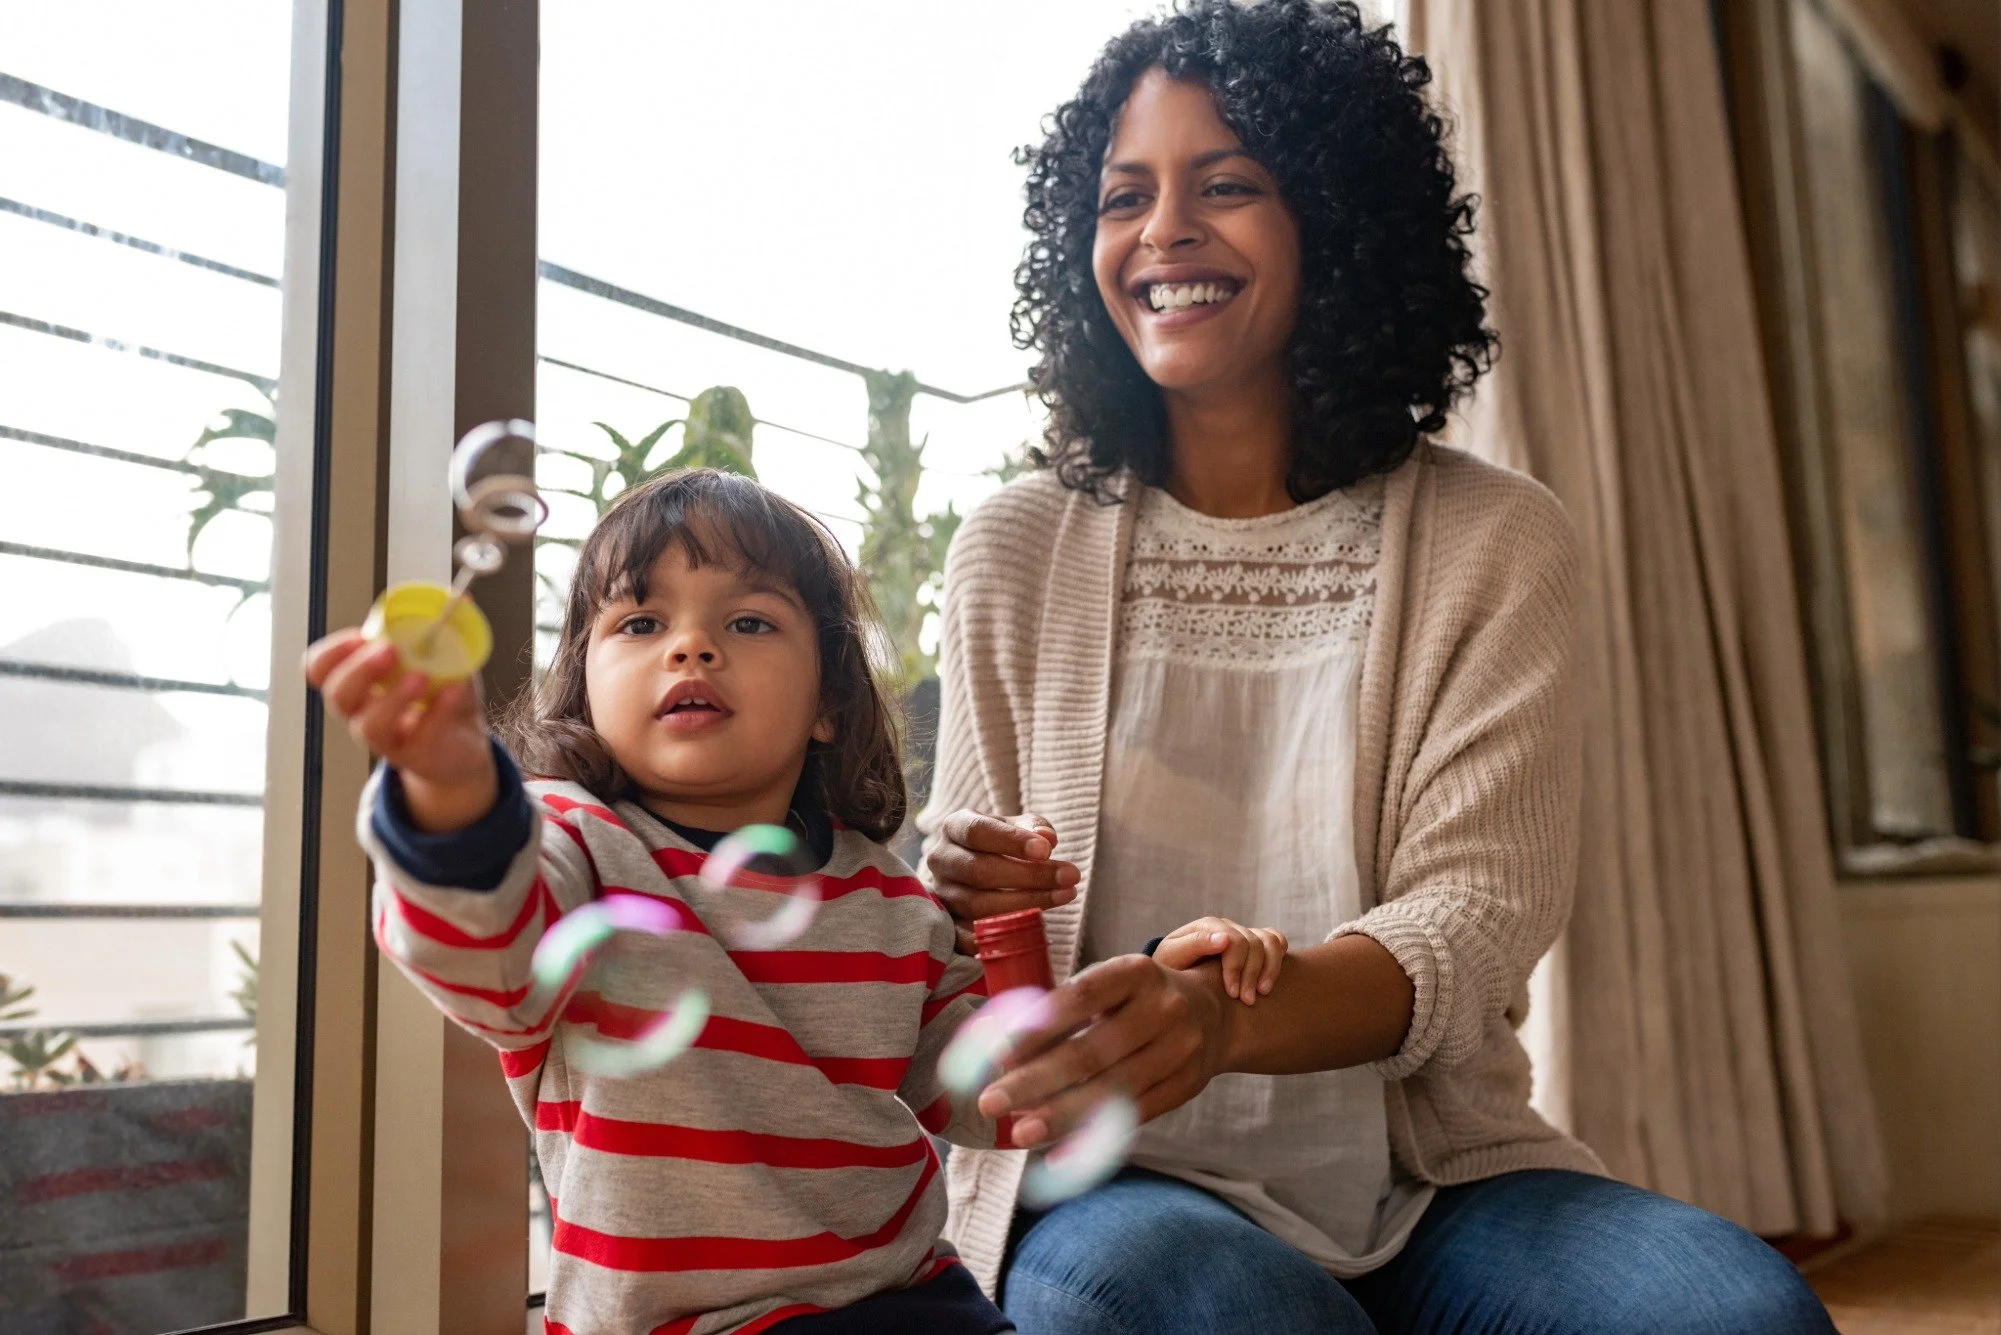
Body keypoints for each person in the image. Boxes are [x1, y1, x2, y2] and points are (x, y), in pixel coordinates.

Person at [919, 3, 1838, 1333]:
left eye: (1226, 184)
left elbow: (1470, 916)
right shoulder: (1014, 545)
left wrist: (1224, 1017)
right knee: (1230, 1307)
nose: (1164, 230)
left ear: (1339, 220)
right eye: (1126, 197)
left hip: (1437, 1177)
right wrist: (958, 886)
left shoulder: (1495, 538)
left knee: (1739, 1315)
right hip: (1111, 1178)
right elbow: (959, 979)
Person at [304, 468, 1276, 1335]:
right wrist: (451, 790)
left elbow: (989, 1091)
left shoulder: (886, 893)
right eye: (640, 623)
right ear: (583, 693)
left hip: (909, 1298)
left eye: (749, 621)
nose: (691, 647)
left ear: (827, 705)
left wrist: (1143, 988)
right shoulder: (571, 844)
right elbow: (487, 961)